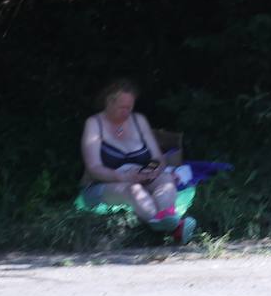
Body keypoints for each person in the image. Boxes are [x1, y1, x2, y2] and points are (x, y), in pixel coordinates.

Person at [79, 79, 196, 243]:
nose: (127, 112)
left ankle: (166, 216)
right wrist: (124, 177)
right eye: (122, 107)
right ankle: (173, 227)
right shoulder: (94, 124)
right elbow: (94, 168)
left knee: (166, 179)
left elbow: (157, 158)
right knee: (133, 190)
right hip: (104, 184)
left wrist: (149, 170)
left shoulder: (138, 121)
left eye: (130, 107)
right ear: (109, 103)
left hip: (139, 177)